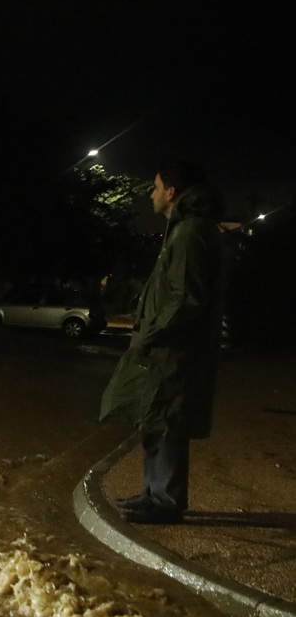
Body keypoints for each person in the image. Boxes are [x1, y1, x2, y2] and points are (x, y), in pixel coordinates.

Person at [99, 160, 225, 524]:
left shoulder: (189, 233)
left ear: (171, 192)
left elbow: (186, 297)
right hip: (168, 345)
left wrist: (151, 334)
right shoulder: (183, 230)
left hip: (175, 348)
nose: (151, 195)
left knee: (168, 419)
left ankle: (167, 502)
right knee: (153, 416)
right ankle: (153, 493)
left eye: (155, 188)